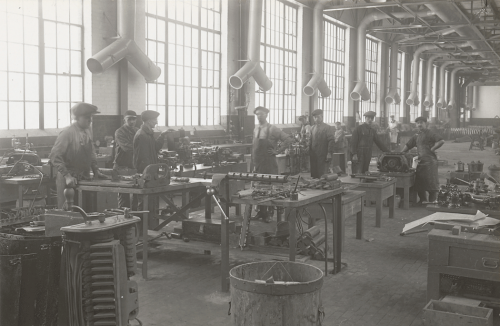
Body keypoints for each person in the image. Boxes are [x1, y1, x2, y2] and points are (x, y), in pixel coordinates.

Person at [49, 102, 107, 209]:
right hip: (69, 179)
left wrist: (95, 170)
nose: (90, 120)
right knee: (69, 213)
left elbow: (91, 152)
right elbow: (55, 156)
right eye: (86, 117)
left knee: (86, 211)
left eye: (91, 117)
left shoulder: (88, 130)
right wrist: (67, 176)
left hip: (84, 177)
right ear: (77, 118)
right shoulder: (67, 133)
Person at [252, 106, 293, 222]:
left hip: (269, 163)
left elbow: (289, 139)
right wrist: (253, 164)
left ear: (266, 115)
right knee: (259, 188)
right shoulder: (255, 129)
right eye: (257, 114)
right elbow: (254, 147)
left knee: (270, 188)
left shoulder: (272, 129)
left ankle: (269, 214)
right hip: (258, 163)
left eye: (261, 114)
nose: (259, 116)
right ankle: (261, 212)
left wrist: (278, 151)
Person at [402, 116, 444, 204]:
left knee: (432, 183)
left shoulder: (431, 133)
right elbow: (408, 145)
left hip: (430, 162)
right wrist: (400, 153)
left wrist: (432, 149)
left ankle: (432, 201)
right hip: (421, 162)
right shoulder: (416, 135)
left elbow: (441, 141)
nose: (419, 124)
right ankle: (423, 200)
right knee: (420, 182)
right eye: (418, 123)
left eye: (421, 122)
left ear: (426, 124)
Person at [114, 110, 139, 208]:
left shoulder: (137, 130)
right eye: (129, 119)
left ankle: (136, 219)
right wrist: (143, 149)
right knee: (124, 195)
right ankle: (123, 221)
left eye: (134, 119)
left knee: (137, 194)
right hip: (122, 166)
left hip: (134, 166)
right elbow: (126, 147)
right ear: (124, 119)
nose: (132, 121)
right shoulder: (119, 132)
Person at [309, 109, 335, 178]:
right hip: (314, 155)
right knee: (314, 174)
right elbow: (310, 141)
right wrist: (308, 151)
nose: (316, 119)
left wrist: (329, 153)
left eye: (318, 117)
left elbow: (331, 141)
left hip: (323, 155)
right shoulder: (312, 128)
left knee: (322, 174)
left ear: (322, 117)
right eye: (315, 117)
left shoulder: (327, 127)